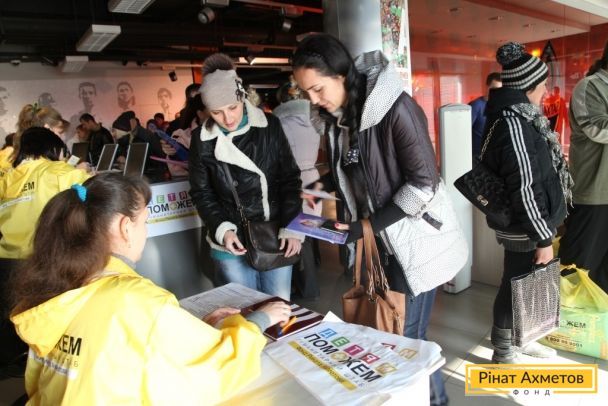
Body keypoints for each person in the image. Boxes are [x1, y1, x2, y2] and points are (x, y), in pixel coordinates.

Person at [8, 172, 291, 404]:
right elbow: (213, 372)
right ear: (125, 227)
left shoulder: (56, 288)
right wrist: (257, 321)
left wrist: (196, 330)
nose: (145, 231)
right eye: (145, 222)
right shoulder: (138, 300)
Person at [292, 34, 467, 406]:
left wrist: (365, 227)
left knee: (409, 340)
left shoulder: (395, 108)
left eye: (318, 89)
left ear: (341, 75)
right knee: (396, 339)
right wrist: (320, 188)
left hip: (414, 243)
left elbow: (423, 184)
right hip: (380, 244)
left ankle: (435, 401)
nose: (314, 100)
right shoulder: (338, 121)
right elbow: (354, 170)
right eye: (306, 93)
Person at [482, 42, 572, 363]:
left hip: (530, 221)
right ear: (528, 86)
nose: (547, 90)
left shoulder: (523, 117)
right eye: (543, 84)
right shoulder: (513, 123)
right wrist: (543, 238)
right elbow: (525, 186)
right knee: (515, 284)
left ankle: (524, 338)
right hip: (526, 224)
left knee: (528, 282)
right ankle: (504, 351)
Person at [189, 53, 303, 300]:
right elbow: (201, 192)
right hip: (231, 240)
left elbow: (290, 179)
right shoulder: (202, 139)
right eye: (216, 112)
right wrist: (223, 230)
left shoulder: (269, 125)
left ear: (241, 97)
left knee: (278, 306)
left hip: (274, 232)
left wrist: (293, 226)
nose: (227, 118)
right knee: (244, 310)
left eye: (232, 107)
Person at [0, 127, 90, 371]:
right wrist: (82, 171)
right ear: (55, 149)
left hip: (6, 260)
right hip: (41, 262)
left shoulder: (8, 177)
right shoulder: (58, 171)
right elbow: (93, 194)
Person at [558, 40, 608, 293]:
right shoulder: (590, 86)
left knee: (603, 274)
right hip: (594, 193)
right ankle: (562, 317)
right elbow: (597, 128)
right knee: (577, 268)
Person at [273, 77, 322, 299]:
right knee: (310, 229)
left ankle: (307, 287)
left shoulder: (278, 123)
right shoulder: (314, 118)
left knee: (297, 230)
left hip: (293, 180)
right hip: (313, 176)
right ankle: (312, 280)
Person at [112, 110, 168, 182]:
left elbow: (141, 165)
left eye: (114, 130)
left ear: (123, 129)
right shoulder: (130, 137)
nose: (113, 134)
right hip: (145, 177)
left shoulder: (142, 138)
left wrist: (126, 162)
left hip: (152, 179)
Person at [470, 72, 502, 163]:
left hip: (493, 157)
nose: (496, 93)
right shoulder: (476, 106)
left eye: (499, 90)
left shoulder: (499, 107)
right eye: (493, 89)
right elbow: (463, 133)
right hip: (477, 157)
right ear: (486, 87)